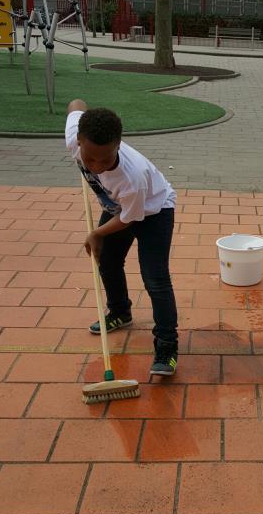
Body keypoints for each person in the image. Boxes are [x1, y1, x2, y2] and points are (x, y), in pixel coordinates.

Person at [65, 99, 179, 376]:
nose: (96, 166)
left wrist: (96, 233)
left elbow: (130, 218)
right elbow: (75, 105)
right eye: (90, 158)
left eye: (105, 159)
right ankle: (120, 312)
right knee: (108, 261)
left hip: (154, 211)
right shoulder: (75, 137)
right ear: (78, 140)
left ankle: (167, 346)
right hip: (119, 208)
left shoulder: (132, 175)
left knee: (156, 279)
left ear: (119, 144)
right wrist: (79, 110)